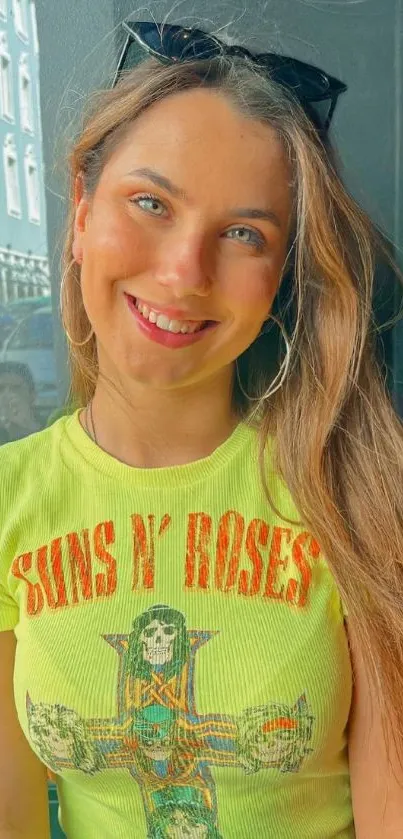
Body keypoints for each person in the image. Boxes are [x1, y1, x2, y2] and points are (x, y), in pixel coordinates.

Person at [0, 19, 402, 839]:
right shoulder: (9, 498)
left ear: (281, 276)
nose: (185, 272)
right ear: (80, 212)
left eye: (243, 233)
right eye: (150, 202)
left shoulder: (355, 491)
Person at [0, 361, 41, 442]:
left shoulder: (51, 426)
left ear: (32, 396)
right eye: (0, 389)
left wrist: (26, 426)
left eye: (15, 388)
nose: (6, 395)